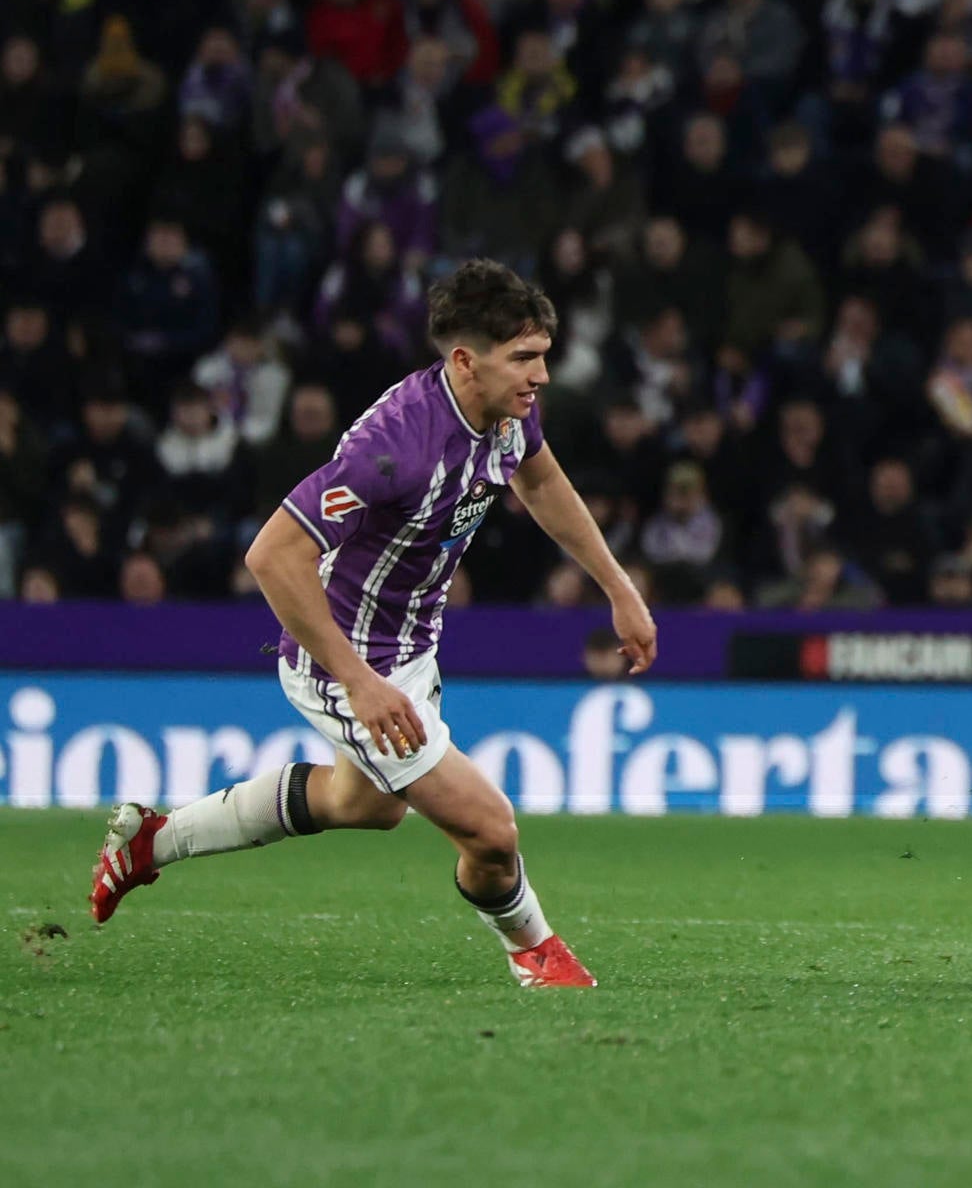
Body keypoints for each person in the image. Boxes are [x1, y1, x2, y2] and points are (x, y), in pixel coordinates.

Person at [90, 260, 658, 990]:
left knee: (360, 803)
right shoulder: (393, 449)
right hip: (342, 656)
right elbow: (272, 556)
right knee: (490, 831)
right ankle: (539, 956)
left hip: (409, 646)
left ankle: (151, 841)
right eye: (524, 358)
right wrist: (357, 682)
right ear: (465, 360)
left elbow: (540, 479)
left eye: (543, 355)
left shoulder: (506, 412)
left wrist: (618, 587)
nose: (541, 375)